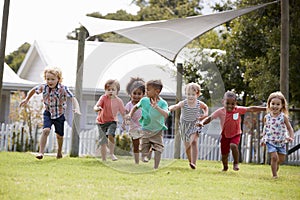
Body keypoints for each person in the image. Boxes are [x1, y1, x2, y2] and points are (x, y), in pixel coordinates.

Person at [19, 66, 81, 159]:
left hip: (59, 115)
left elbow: (73, 98)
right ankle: (41, 153)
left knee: (59, 136)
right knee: (46, 130)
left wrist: (77, 108)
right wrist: (27, 99)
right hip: (48, 112)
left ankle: (59, 152)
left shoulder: (63, 88)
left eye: (52, 79)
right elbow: (33, 90)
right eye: (48, 79)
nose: (50, 81)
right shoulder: (43, 87)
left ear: (58, 79)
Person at [198, 91, 265, 171]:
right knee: (224, 155)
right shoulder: (220, 111)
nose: (230, 106)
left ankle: (236, 163)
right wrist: (202, 123)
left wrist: (265, 108)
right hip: (225, 135)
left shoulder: (238, 110)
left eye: (232, 104)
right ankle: (225, 167)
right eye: (227, 103)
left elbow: (251, 109)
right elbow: (210, 118)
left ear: (235, 103)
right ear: (223, 102)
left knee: (233, 145)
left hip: (236, 134)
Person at [127, 79, 169, 169]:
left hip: (157, 131)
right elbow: (135, 107)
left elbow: (166, 114)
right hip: (145, 129)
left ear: (157, 91)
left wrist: (157, 108)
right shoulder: (144, 100)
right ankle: (147, 154)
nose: (146, 92)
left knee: (159, 149)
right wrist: (130, 114)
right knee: (143, 150)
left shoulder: (163, 103)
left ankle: (156, 167)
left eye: (148, 90)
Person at [169, 82, 208, 169]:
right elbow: (176, 106)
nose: (190, 96)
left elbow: (205, 107)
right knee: (187, 146)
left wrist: (205, 115)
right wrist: (170, 108)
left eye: (193, 94)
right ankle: (190, 161)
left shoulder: (199, 103)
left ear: (197, 94)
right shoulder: (184, 103)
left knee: (193, 142)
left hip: (195, 124)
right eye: (188, 94)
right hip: (184, 126)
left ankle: (194, 162)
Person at [260, 91, 294, 178]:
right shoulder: (267, 117)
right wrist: (263, 138)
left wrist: (291, 137)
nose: (275, 106)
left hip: (281, 140)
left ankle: (275, 167)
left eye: (278, 104)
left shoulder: (283, 117)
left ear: (282, 105)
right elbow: (266, 128)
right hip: (270, 140)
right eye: (273, 104)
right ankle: (274, 176)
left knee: (280, 159)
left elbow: (289, 128)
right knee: (274, 157)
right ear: (269, 104)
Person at [94, 79, 126, 161]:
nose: (110, 91)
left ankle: (112, 154)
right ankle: (104, 159)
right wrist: (97, 108)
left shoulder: (119, 101)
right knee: (103, 141)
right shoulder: (103, 98)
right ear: (105, 91)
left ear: (117, 91)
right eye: (108, 90)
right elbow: (96, 106)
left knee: (111, 134)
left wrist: (125, 122)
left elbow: (123, 113)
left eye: (113, 90)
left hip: (112, 121)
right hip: (101, 122)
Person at [124, 77, 146, 164]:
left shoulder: (144, 104)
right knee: (135, 145)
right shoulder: (129, 105)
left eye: (139, 93)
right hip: (133, 128)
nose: (136, 96)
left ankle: (144, 157)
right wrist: (127, 120)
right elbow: (126, 115)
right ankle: (137, 161)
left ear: (143, 94)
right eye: (134, 93)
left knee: (144, 142)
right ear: (130, 93)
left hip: (143, 127)